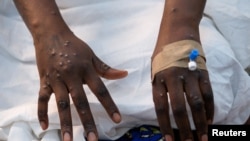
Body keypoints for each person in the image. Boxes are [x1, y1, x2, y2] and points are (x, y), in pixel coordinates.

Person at [0, 0, 249, 141]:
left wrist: (181, 32)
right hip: (39, 15)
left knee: (212, 88)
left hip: (164, 8)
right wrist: (48, 35)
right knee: (45, 115)